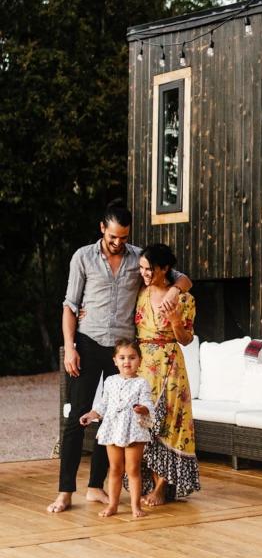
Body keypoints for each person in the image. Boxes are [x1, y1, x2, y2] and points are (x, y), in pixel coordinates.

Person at [48, 200, 191, 514]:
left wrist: (173, 292)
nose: (118, 242)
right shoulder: (82, 257)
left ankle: (95, 487)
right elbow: (70, 306)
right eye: (113, 236)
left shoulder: (138, 259)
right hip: (87, 344)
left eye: (124, 238)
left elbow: (181, 278)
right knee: (76, 418)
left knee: (114, 418)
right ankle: (65, 491)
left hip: (122, 352)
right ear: (102, 228)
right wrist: (69, 346)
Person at [135, 243, 200, 505]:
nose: (145, 274)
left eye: (149, 269)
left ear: (164, 268)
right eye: (141, 268)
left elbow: (185, 339)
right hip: (142, 366)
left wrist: (174, 320)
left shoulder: (184, 300)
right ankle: (148, 481)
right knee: (145, 424)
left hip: (171, 366)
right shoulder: (139, 292)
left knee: (171, 425)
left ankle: (162, 487)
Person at [78, 338, 154, 518]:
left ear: (140, 361)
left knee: (133, 469)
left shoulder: (142, 383)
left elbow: (147, 404)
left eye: (132, 357)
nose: (127, 361)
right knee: (115, 469)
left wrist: (143, 409)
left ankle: (136, 506)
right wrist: (91, 414)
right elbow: (104, 404)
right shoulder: (110, 381)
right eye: (122, 358)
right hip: (112, 428)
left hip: (134, 430)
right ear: (115, 361)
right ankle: (113, 505)